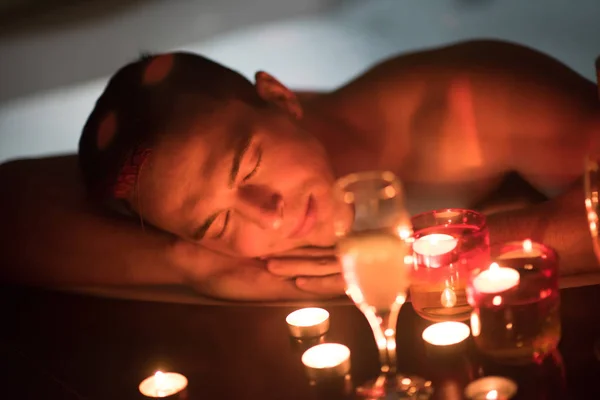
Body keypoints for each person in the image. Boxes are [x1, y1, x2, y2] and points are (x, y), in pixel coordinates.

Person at [0, 39, 598, 301]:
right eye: (214, 224)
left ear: (281, 98)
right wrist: (191, 265)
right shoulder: (185, 209)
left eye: (249, 165)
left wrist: (412, 260)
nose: (267, 211)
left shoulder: (462, 100)